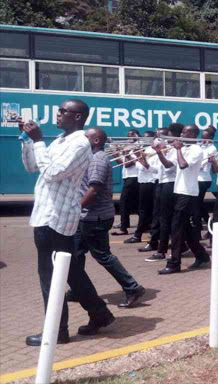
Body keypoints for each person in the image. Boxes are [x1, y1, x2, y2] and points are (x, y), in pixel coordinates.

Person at [20, 99, 114, 346]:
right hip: (47, 213)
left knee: (49, 275)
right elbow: (33, 167)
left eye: (64, 111)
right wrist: (28, 141)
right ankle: (100, 313)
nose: (58, 114)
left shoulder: (80, 144)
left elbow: (52, 174)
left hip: (57, 216)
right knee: (70, 270)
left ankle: (57, 331)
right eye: (59, 110)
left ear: (78, 117)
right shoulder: (61, 140)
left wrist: (39, 140)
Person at [69, 128, 146, 308]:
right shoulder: (91, 157)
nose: (82, 140)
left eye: (86, 137)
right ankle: (78, 289)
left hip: (95, 217)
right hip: (86, 216)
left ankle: (132, 287)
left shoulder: (98, 159)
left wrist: (76, 207)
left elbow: (94, 189)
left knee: (102, 255)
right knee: (76, 254)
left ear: (96, 141)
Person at [158, 124, 210, 274]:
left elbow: (182, 165)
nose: (181, 134)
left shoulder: (196, 150)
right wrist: (160, 153)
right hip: (179, 190)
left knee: (176, 227)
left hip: (189, 192)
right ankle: (202, 256)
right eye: (181, 132)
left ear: (193, 134)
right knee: (185, 229)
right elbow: (169, 165)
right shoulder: (183, 148)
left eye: (185, 132)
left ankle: (174, 263)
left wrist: (178, 149)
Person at [144, 124, 182, 262]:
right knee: (161, 217)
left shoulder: (174, 150)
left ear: (170, 134)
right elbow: (159, 170)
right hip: (161, 183)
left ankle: (162, 251)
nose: (159, 140)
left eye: (162, 136)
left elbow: (168, 166)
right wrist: (145, 163)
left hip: (170, 184)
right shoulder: (168, 149)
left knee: (166, 219)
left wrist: (160, 152)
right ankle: (181, 246)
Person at [124, 131, 157, 244]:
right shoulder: (143, 150)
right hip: (142, 182)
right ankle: (144, 233)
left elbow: (147, 168)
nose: (143, 140)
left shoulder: (153, 151)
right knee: (143, 209)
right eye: (143, 138)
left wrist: (140, 158)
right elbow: (138, 166)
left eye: (147, 138)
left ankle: (139, 235)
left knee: (146, 210)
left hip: (150, 182)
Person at [112, 129, 140, 236]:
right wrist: (115, 153)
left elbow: (128, 164)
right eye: (127, 136)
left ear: (137, 135)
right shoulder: (130, 148)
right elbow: (121, 163)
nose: (128, 138)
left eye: (131, 136)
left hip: (134, 177)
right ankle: (127, 224)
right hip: (128, 177)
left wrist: (125, 152)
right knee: (135, 204)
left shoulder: (137, 147)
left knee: (124, 202)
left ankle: (124, 227)